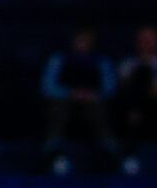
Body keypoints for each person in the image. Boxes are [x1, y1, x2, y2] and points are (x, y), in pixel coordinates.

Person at [40, 26, 116, 162]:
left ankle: (109, 148)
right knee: (58, 108)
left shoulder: (100, 61)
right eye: (80, 40)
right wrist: (71, 93)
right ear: (73, 41)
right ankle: (52, 148)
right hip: (65, 101)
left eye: (87, 41)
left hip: (93, 101)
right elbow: (48, 86)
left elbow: (109, 88)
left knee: (98, 108)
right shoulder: (59, 59)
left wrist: (92, 95)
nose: (83, 44)